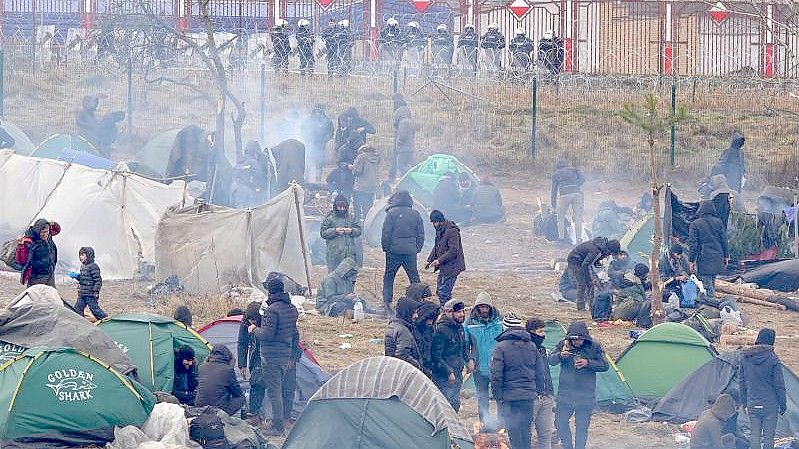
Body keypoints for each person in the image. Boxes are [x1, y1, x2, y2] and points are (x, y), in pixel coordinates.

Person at [251, 278, 301, 435]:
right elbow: (294, 334)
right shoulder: (292, 308)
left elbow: (267, 335)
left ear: (270, 291)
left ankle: (277, 427)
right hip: (285, 355)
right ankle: (280, 421)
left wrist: (253, 329)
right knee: (280, 389)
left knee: (274, 391)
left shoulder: (271, 310)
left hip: (271, 356)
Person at [549, 321, 609, 449]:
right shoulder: (563, 344)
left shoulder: (594, 346)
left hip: (585, 394)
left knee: (582, 426)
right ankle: (568, 446)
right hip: (565, 393)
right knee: (560, 422)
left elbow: (605, 366)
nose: (577, 342)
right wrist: (560, 355)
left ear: (585, 338)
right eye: (574, 340)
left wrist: (588, 363)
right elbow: (551, 360)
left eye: (580, 340)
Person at [491, 313, 544, 449]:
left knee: (514, 434)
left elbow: (496, 375)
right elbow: (540, 371)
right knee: (526, 432)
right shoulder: (532, 346)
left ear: (505, 328)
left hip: (510, 399)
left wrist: (497, 396)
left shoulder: (500, 347)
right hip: (528, 397)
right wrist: (539, 391)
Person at [741, 328, 787, 449]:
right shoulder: (773, 359)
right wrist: (783, 404)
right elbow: (779, 385)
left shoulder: (745, 357)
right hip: (770, 405)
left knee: (754, 436)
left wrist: (744, 402)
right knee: (768, 438)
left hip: (752, 403)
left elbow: (742, 383)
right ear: (772, 341)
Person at [382, 190, 425, 314]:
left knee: (389, 277)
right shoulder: (416, 214)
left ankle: (387, 302)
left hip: (393, 252)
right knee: (414, 277)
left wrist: (386, 248)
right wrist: (417, 248)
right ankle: (420, 300)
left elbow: (386, 233)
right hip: (410, 252)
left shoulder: (391, 213)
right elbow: (420, 234)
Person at [464, 292, 503, 424]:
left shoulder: (499, 321)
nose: (484, 310)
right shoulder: (469, 324)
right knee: (482, 397)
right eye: (481, 307)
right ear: (477, 308)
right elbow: (465, 345)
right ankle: (484, 423)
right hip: (479, 368)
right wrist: (469, 360)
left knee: (500, 397)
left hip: (497, 367)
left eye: (487, 307)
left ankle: (501, 423)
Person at [431, 298, 469, 411]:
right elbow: (436, 356)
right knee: (445, 406)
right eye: (458, 312)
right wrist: (448, 371)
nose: (462, 314)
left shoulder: (460, 328)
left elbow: (463, 347)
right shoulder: (441, 330)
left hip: (457, 374)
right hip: (444, 377)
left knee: (455, 404)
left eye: (463, 311)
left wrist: (469, 359)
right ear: (448, 313)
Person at [566, 237, 621, 311]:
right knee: (582, 284)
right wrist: (590, 278)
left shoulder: (602, 247)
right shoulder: (596, 250)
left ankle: (591, 306)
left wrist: (596, 262)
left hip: (583, 262)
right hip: (575, 260)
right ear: (609, 250)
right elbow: (585, 265)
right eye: (611, 253)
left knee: (590, 284)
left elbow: (591, 260)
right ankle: (581, 307)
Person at [688, 201, 728, 299]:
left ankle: (711, 302)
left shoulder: (695, 224)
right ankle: (711, 300)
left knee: (707, 283)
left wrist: (691, 260)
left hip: (704, 256)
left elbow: (693, 244)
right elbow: (724, 240)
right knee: (712, 280)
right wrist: (726, 256)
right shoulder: (718, 222)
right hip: (718, 254)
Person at [526, 318, 555, 449]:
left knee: (545, 434)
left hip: (546, 396)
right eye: (540, 331)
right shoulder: (525, 349)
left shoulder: (542, 350)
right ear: (531, 332)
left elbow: (545, 372)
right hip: (531, 398)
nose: (543, 334)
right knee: (526, 433)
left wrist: (550, 393)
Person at [426, 210, 466, 305]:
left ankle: (448, 313)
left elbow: (454, 251)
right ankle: (445, 310)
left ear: (440, 221)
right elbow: (437, 246)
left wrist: (439, 261)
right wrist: (429, 260)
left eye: (435, 222)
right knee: (439, 291)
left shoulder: (452, 231)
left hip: (453, 267)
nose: (434, 225)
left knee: (444, 293)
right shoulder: (440, 230)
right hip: (445, 266)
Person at [196, 345, 245, 416]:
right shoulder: (228, 370)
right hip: (219, 409)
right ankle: (230, 419)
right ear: (228, 356)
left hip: (200, 407)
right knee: (241, 398)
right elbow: (237, 392)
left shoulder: (201, 367)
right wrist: (231, 367)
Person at [320, 194, 362, 272]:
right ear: (335, 206)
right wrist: (335, 231)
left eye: (344, 207)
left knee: (348, 276)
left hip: (349, 254)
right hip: (334, 254)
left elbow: (359, 230)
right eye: (340, 207)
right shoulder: (330, 218)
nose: (342, 209)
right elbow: (323, 232)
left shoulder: (351, 218)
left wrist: (351, 230)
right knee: (333, 276)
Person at [238, 302, 265, 418]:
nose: (251, 323)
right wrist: (242, 364)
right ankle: (254, 414)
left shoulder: (266, 320)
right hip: (255, 356)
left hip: (267, 355)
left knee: (259, 383)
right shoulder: (245, 321)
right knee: (255, 383)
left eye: (254, 320)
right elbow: (242, 343)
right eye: (250, 320)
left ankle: (257, 415)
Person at [16, 219, 60, 287]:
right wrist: (20, 246)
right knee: (36, 297)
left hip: (50, 275)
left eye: (47, 231)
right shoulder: (29, 241)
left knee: (50, 296)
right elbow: (21, 260)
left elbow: (57, 230)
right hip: (36, 277)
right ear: (37, 232)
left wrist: (54, 224)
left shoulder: (49, 236)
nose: (45, 234)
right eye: (42, 232)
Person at [551, 159, 585, 243]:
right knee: (577, 218)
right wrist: (576, 184)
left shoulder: (556, 174)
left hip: (564, 195)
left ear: (557, 167)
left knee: (560, 218)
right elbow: (583, 179)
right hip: (577, 194)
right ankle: (579, 239)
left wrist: (553, 205)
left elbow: (554, 191)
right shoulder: (574, 170)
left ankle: (561, 239)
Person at [68, 246, 107, 320]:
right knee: (77, 309)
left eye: (83, 255)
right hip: (82, 293)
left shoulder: (93, 266)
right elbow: (83, 279)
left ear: (88, 255)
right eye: (80, 255)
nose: (80, 257)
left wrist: (95, 291)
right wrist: (76, 276)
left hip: (90, 294)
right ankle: (80, 323)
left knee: (95, 310)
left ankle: (106, 319)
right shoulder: (83, 266)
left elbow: (98, 280)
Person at [385, 296, 423, 369]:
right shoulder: (403, 331)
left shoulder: (394, 325)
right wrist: (418, 366)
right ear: (406, 312)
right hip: (404, 372)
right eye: (414, 312)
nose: (416, 316)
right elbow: (402, 356)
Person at [300, 104, 334, 183]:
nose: (317, 112)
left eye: (319, 110)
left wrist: (325, 139)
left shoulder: (327, 120)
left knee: (319, 164)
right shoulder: (308, 120)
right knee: (308, 163)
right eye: (316, 110)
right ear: (313, 110)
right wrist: (307, 139)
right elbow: (302, 130)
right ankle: (306, 180)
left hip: (321, 146)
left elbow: (331, 132)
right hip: (310, 145)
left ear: (322, 111)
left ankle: (318, 180)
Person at [351, 144, 380, 219]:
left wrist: (353, 166)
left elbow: (356, 171)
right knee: (368, 207)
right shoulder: (376, 157)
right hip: (373, 186)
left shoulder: (361, 157)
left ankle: (357, 222)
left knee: (357, 204)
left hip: (361, 186)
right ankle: (366, 223)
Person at [391, 103, 418, 181]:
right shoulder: (410, 121)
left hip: (403, 148)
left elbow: (402, 134)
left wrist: (398, 143)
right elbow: (413, 133)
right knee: (411, 163)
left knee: (400, 165)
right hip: (410, 147)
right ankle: (409, 177)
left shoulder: (403, 122)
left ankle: (408, 175)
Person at [413, 297, 440, 377]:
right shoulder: (414, 330)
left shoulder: (431, 329)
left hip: (429, 366)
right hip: (418, 367)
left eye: (432, 319)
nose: (430, 322)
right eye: (428, 319)